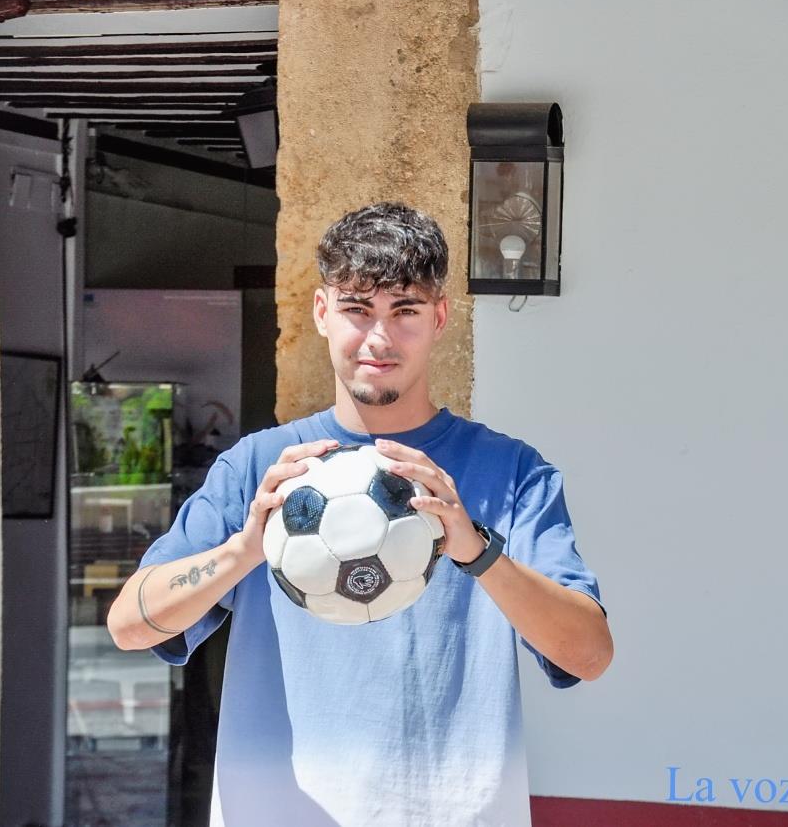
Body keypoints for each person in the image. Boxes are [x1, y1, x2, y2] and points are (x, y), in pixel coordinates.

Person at [107, 202, 613, 827]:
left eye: (405, 311)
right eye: (356, 309)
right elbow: (131, 627)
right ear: (321, 313)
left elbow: (589, 655)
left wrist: (479, 551)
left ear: (440, 317)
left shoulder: (511, 473)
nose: (378, 338)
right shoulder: (259, 467)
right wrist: (242, 551)